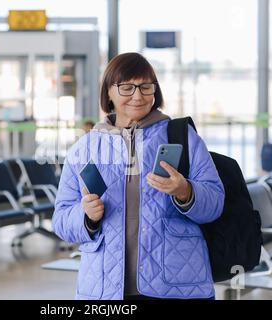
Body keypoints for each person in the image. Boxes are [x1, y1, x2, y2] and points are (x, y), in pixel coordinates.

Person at [52, 52, 224, 300]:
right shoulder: (85, 148)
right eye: (127, 87)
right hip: (105, 290)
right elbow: (61, 220)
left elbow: (215, 203)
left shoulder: (182, 137)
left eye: (145, 86)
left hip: (176, 286)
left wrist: (185, 191)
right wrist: (87, 217)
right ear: (108, 92)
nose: (138, 95)